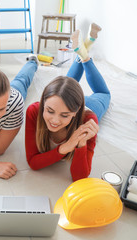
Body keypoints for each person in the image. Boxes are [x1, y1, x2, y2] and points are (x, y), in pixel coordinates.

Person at [25, 23, 110, 181]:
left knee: (104, 93)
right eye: (50, 111)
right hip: (66, 99)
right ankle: (84, 50)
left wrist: (81, 143)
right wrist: (66, 147)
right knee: (66, 83)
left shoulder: (88, 120)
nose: (55, 120)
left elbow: (79, 177)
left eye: (65, 115)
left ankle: (85, 57)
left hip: (91, 106)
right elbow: (33, 163)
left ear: (76, 111)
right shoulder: (34, 111)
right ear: (43, 102)